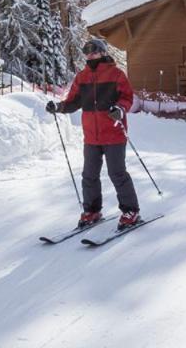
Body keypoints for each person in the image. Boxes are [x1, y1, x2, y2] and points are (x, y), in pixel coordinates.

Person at [45, 37, 141, 230]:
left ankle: (131, 211)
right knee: (89, 175)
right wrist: (59, 106)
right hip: (91, 136)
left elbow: (127, 97)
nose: (90, 55)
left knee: (117, 173)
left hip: (113, 133)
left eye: (94, 51)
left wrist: (120, 109)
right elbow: (73, 102)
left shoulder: (116, 74)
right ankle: (92, 211)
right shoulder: (82, 77)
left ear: (103, 52)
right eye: (87, 52)